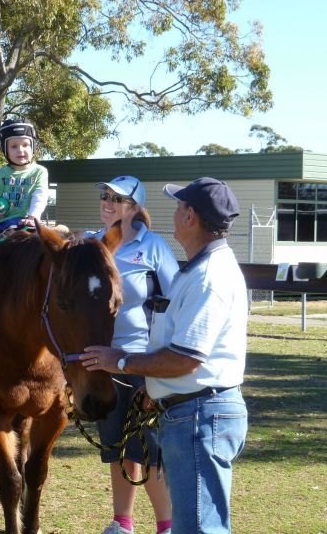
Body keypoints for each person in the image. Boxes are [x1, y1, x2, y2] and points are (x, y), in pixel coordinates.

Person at [82, 177, 248, 534]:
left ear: (190, 216)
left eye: (177, 207)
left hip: (200, 412)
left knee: (199, 526)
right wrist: (153, 386)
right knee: (198, 522)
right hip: (186, 404)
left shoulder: (207, 276)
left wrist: (122, 362)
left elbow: (186, 357)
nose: (171, 214)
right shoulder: (201, 268)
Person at [85, 176, 180, 534]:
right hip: (102, 361)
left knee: (149, 449)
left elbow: (175, 300)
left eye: (118, 198)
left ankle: (166, 526)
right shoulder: (93, 244)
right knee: (115, 448)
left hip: (145, 361)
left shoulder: (153, 246)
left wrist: (164, 362)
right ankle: (122, 523)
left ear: (135, 208)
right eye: (105, 195)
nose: (108, 201)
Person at [0, 118, 49, 246]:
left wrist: (33, 217)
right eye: (14, 146)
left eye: (25, 145)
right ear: (5, 150)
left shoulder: (40, 172)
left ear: (33, 146)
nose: (20, 150)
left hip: (24, 222)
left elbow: (40, 195)